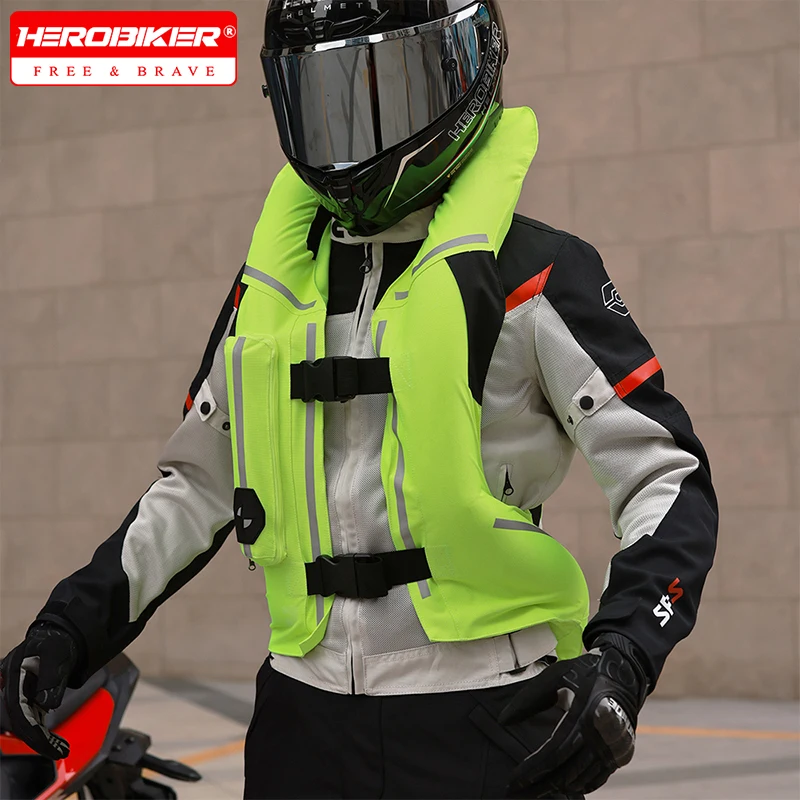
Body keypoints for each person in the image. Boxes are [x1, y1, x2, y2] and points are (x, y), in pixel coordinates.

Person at [0, 1, 718, 798]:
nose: (350, 127)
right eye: (324, 94)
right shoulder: (270, 293)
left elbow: (665, 475)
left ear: (464, 68)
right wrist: (68, 627)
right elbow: (198, 485)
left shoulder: (533, 274)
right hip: (300, 723)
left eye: (388, 86)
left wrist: (625, 656)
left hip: (487, 714)